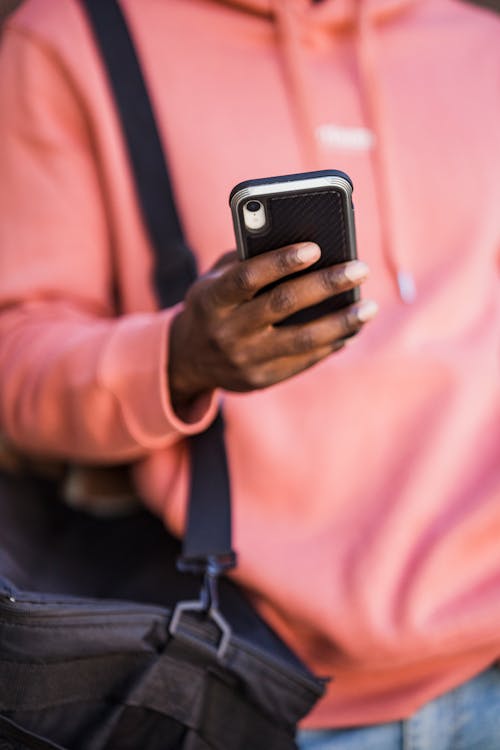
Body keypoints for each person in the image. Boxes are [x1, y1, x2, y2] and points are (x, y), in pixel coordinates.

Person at [0, 0, 499, 747]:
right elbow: (15, 365)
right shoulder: (73, 35)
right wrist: (178, 359)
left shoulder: (481, 46)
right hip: (243, 678)